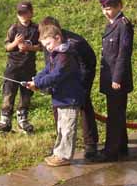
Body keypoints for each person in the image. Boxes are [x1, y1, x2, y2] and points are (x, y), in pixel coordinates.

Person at [39, 16, 99, 160]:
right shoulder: (49, 41)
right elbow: (50, 64)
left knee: (84, 104)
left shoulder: (74, 43)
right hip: (62, 77)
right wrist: (47, 84)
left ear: (57, 32)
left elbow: (89, 62)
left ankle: (91, 144)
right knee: (58, 107)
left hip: (82, 74)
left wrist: (82, 85)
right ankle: (61, 146)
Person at [26, 25, 85, 167]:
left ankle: (64, 156)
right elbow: (46, 71)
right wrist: (36, 79)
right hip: (60, 98)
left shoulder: (65, 56)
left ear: (58, 38)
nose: (47, 48)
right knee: (61, 127)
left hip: (70, 98)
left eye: (49, 43)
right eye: (45, 45)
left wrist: (38, 84)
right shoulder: (56, 54)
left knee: (68, 129)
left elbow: (55, 75)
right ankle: (58, 152)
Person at [0, 1, 41, 135]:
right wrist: (16, 43)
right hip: (13, 67)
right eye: (20, 13)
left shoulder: (36, 29)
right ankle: (5, 121)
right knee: (8, 93)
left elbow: (41, 46)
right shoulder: (14, 28)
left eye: (25, 12)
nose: (23, 15)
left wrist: (29, 47)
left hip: (28, 67)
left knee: (26, 95)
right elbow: (7, 47)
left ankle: (23, 120)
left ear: (31, 12)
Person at [97, 0, 134, 161]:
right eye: (104, 8)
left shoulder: (124, 25)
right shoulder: (111, 24)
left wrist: (117, 78)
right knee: (117, 113)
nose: (106, 12)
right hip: (109, 76)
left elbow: (123, 54)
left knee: (115, 116)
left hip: (116, 79)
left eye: (109, 8)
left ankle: (111, 152)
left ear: (120, 6)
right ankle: (121, 147)